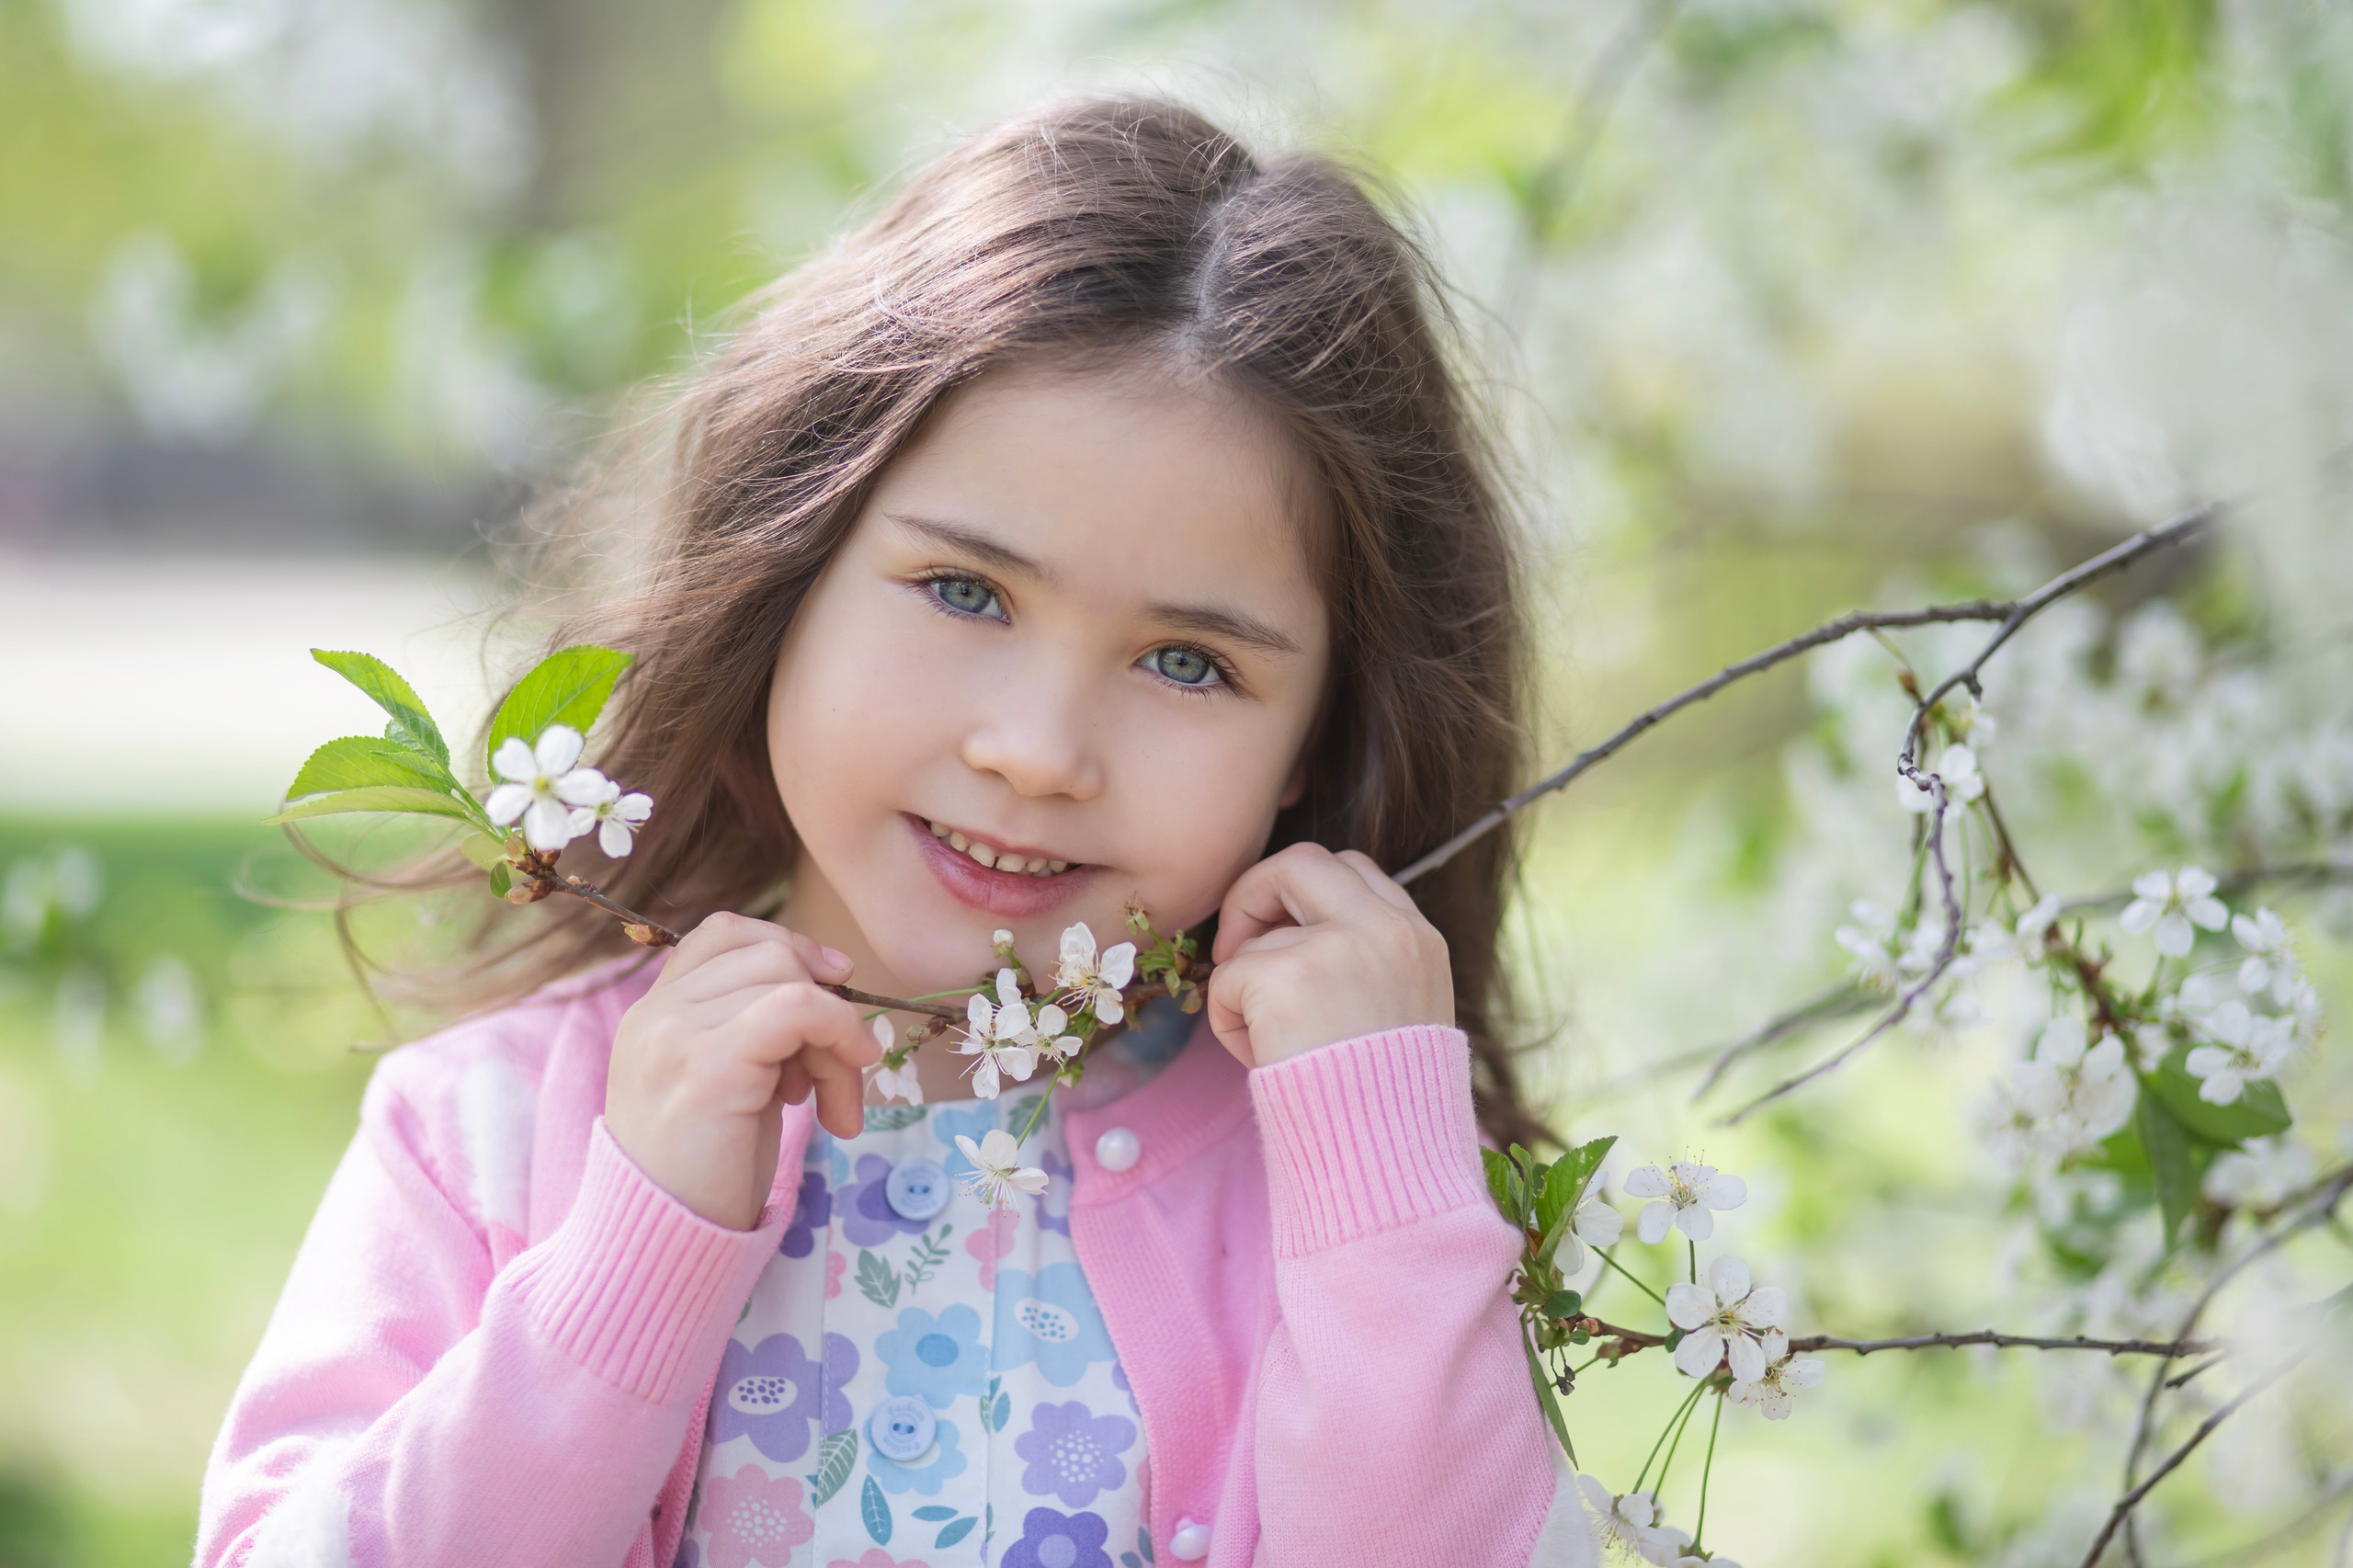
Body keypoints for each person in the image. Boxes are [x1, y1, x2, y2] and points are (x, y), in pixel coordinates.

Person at [197, 96, 1593, 1568]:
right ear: (792, 565)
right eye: (967, 592)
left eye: (1189, 661)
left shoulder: (1344, 1167)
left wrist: (1385, 1171)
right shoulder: (490, 1125)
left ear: (1318, 742)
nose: (1037, 752)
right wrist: (630, 1259)